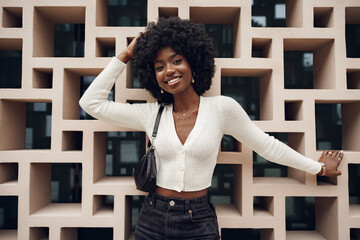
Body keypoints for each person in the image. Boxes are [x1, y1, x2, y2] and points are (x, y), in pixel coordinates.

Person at [79, 17, 343, 240]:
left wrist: (318, 168)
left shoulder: (222, 108)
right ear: (155, 78)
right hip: (152, 217)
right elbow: (91, 103)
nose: (169, 70)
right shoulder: (151, 114)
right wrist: (124, 56)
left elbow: (267, 146)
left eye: (176, 60)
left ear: (194, 64)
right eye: (159, 67)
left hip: (199, 219)